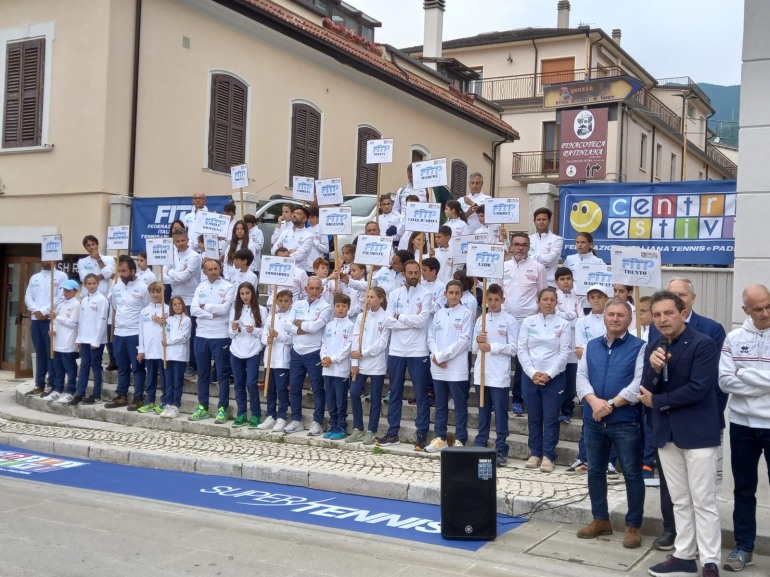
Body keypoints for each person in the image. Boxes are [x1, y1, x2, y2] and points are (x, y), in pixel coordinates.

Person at [638, 290, 721, 577]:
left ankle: (710, 561)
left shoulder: (704, 344)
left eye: (668, 313)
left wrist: (657, 402)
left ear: (682, 313)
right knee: (680, 500)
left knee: (704, 501)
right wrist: (654, 368)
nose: (663, 319)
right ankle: (684, 555)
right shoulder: (653, 349)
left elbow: (699, 388)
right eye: (657, 314)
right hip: (666, 434)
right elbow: (647, 387)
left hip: (697, 434)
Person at [575, 299, 646, 549]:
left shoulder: (640, 347)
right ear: (604, 317)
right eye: (611, 314)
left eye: (621, 315)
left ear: (630, 319)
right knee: (595, 470)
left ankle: (633, 525)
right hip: (593, 420)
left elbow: (638, 383)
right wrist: (594, 402)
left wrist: (612, 405)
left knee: (632, 472)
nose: (615, 318)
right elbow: (581, 376)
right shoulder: (592, 346)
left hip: (625, 421)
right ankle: (600, 519)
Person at [718, 284, 770, 573]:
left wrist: (745, 373)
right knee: (744, 490)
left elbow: (737, 378)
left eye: (768, 306)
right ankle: (743, 548)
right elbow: (725, 382)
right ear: (745, 310)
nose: (765, 313)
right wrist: (763, 383)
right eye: (758, 309)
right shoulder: (734, 338)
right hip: (742, 424)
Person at [377, 260, 432, 449]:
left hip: (418, 351)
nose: (414, 275)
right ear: (404, 274)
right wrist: (408, 320)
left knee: (421, 395)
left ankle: (421, 434)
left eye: (417, 272)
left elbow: (422, 321)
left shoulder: (426, 294)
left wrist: (399, 317)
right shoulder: (394, 294)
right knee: (395, 393)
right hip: (396, 350)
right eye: (410, 272)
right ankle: (393, 433)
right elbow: (387, 321)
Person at [517, 287, 571, 473]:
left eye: (552, 300)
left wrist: (549, 374)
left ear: (557, 303)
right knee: (534, 417)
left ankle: (548, 455)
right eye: (545, 299)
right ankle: (535, 453)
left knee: (550, 418)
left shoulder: (563, 324)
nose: (548, 302)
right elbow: (522, 349)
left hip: (554, 378)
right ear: (538, 301)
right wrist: (532, 372)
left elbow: (564, 352)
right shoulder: (528, 322)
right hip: (530, 376)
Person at [472, 283, 519, 466]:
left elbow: (513, 348)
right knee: (483, 411)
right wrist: (478, 340)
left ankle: (501, 447)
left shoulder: (509, 320)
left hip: (499, 374)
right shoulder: (481, 320)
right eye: (489, 300)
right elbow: (474, 348)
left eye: (496, 300)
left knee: (500, 413)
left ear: (502, 300)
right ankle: (481, 442)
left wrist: (492, 347)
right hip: (482, 373)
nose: (492, 303)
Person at [502, 232, 547, 417]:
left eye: (524, 244)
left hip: (527, 321)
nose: (520, 248)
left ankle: (519, 399)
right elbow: (496, 290)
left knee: (523, 362)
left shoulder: (538, 268)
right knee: (502, 359)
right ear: (511, 246)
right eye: (517, 244)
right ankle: (500, 398)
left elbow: (541, 294)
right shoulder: (503, 266)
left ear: (529, 247)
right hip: (504, 319)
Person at [426, 280, 474, 452]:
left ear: (461, 295)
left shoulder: (466, 313)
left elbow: (464, 340)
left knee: (460, 405)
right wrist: (436, 355)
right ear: (445, 293)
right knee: (440, 405)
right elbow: (431, 337)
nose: (453, 296)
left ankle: (460, 438)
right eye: (450, 292)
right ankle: (440, 437)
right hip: (438, 367)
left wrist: (443, 355)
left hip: (456, 368)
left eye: (457, 293)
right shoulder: (439, 314)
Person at [189, 258, 236, 423]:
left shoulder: (228, 287)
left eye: (216, 268)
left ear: (220, 269)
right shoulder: (200, 286)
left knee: (222, 375)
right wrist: (211, 312)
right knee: (202, 374)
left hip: (220, 335)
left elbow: (225, 309)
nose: (214, 271)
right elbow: (193, 310)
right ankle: (203, 407)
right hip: (201, 335)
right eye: (210, 269)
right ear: (204, 271)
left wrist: (205, 307)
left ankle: (222, 409)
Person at [284, 276, 332, 435]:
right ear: (305, 289)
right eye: (311, 288)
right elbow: (287, 324)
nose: (314, 291)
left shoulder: (326, 306)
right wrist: (300, 329)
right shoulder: (298, 304)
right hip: (297, 351)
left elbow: (317, 326)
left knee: (318, 389)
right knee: (294, 388)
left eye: (317, 288)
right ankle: (296, 419)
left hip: (314, 352)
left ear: (322, 290)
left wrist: (300, 324)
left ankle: (317, 422)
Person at [105, 256, 150, 410]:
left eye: (124, 271)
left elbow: (148, 309)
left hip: (135, 333)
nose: (121, 274)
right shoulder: (116, 287)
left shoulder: (143, 287)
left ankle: (138, 396)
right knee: (122, 366)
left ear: (132, 271)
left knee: (137, 367)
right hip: (119, 333)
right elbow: (115, 306)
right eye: (119, 271)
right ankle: (121, 395)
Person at [349, 287, 391, 445]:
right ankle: (358, 428)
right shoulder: (362, 316)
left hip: (376, 363)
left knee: (375, 397)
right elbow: (355, 338)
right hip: (360, 362)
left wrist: (364, 353)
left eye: (372, 297)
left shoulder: (386, 317)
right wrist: (354, 362)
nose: (368, 299)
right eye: (367, 296)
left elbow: (382, 343)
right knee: (353, 392)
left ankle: (371, 430)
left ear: (381, 299)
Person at [24, 262, 68, 396]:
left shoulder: (61, 276)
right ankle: (39, 384)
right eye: (44, 258)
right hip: (36, 320)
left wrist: (44, 311)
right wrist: (36, 311)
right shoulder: (35, 277)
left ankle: (51, 385)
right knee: (40, 354)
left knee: (51, 354)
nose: (47, 261)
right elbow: (28, 296)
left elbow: (60, 298)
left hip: (50, 320)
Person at [164, 229, 202, 378]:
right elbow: (162, 276)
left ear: (187, 240)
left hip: (190, 300)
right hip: (175, 299)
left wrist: (171, 274)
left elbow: (184, 277)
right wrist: (176, 274)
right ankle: (176, 361)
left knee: (190, 334)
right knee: (174, 332)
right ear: (173, 241)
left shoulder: (194, 256)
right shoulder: (170, 254)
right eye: (177, 241)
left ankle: (192, 364)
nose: (180, 244)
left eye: (183, 241)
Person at [228, 281, 266, 429]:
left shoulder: (261, 310)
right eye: (242, 294)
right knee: (238, 383)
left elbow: (264, 331)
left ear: (253, 293)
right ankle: (241, 413)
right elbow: (230, 334)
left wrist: (254, 330)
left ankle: (255, 414)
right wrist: (234, 328)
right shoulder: (234, 309)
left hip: (253, 350)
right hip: (236, 350)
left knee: (251, 383)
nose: (245, 296)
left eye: (247, 293)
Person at [77, 235, 117, 370]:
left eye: (93, 244)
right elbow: (84, 279)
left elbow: (110, 274)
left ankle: (113, 359)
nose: (91, 247)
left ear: (97, 244)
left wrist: (98, 260)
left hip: (105, 298)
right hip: (88, 299)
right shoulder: (82, 261)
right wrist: (104, 276)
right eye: (88, 245)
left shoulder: (108, 259)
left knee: (106, 328)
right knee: (90, 327)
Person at [257, 289, 294, 433]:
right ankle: (271, 414)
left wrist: (278, 336)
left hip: (282, 359)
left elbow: (291, 339)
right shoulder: (272, 316)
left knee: (281, 389)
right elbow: (263, 336)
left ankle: (282, 416)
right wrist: (268, 339)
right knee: (270, 388)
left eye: (286, 301)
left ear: (291, 302)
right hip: (270, 358)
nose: (283, 304)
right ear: (276, 302)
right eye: (281, 301)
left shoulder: (291, 317)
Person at [321, 293, 354, 440]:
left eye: (344, 306)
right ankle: (333, 424)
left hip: (341, 369)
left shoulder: (350, 326)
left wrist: (333, 359)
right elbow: (324, 344)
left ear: (348, 308)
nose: (340, 309)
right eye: (338, 306)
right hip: (327, 368)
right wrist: (324, 358)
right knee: (330, 398)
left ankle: (341, 426)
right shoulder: (329, 325)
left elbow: (348, 348)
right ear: (334, 307)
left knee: (340, 399)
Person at [71, 274, 109, 405]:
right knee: (84, 366)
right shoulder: (84, 299)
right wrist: (79, 338)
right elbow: (81, 321)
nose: (91, 286)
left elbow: (101, 321)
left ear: (97, 284)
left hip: (95, 340)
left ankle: (97, 394)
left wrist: (96, 340)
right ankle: (79, 393)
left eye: (94, 283)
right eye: (89, 284)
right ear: (85, 285)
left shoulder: (101, 299)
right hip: (84, 338)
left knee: (96, 366)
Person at [554, 266, 583, 424]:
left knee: (570, 382)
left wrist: (569, 317)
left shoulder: (577, 297)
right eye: (562, 279)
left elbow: (581, 320)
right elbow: (557, 318)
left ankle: (567, 411)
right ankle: (555, 409)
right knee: (558, 380)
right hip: (558, 346)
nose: (566, 282)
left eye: (568, 279)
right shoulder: (553, 297)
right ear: (556, 282)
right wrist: (571, 315)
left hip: (573, 345)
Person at [44, 279, 80, 403]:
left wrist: (57, 318)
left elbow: (73, 323)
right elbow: (53, 320)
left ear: (75, 291)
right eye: (64, 290)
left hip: (68, 341)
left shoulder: (76, 305)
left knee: (69, 368)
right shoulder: (60, 304)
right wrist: (51, 329)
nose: (65, 292)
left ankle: (71, 390)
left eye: (68, 290)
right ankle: (58, 389)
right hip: (57, 341)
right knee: (57, 368)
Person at [136, 281, 169, 414]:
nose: (155, 294)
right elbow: (141, 331)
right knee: (151, 376)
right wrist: (141, 350)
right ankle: (150, 400)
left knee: (165, 377)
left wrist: (163, 322)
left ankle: (165, 400)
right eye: (153, 292)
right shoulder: (144, 311)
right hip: (149, 350)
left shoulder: (167, 310)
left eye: (158, 291)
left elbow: (171, 328)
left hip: (163, 350)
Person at [160, 296, 191, 419]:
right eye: (174, 304)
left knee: (177, 381)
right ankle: (168, 403)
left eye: (179, 304)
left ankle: (176, 405)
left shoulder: (186, 320)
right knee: (168, 381)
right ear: (171, 307)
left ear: (183, 305)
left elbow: (183, 337)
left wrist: (169, 341)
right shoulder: (169, 319)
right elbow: (165, 333)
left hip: (179, 354)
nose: (177, 306)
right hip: (168, 354)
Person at [562, 232, 605, 312]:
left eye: (583, 242)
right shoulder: (569, 259)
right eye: (577, 242)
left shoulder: (598, 262)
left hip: (588, 303)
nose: (579, 245)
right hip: (570, 301)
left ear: (590, 244)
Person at [272, 206, 314, 274]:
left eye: (298, 214)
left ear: (304, 219)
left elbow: (301, 255)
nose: (294, 215)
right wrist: (288, 253)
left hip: (297, 272)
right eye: (294, 213)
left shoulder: (309, 236)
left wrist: (281, 253)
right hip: (281, 270)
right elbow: (273, 250)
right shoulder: (285, 232)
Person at [529, 207, 564, 287]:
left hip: (549, 284)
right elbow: (523, 258)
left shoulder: (557, 239)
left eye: (544, 219)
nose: (541, 222)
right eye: (538, 219)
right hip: (530, 283)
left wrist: (531, 258)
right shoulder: (528, 239)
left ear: (549, 221)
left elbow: (550, 260)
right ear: (534, 221)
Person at [306, 206, 330, 271]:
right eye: (309, 218)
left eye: (312, 218)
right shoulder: (306, 230)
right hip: (306, 266)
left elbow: (326, 249)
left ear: (318, 218)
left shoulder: (322, 230)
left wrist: (316, 244)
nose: (309, 220)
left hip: (316, 266)